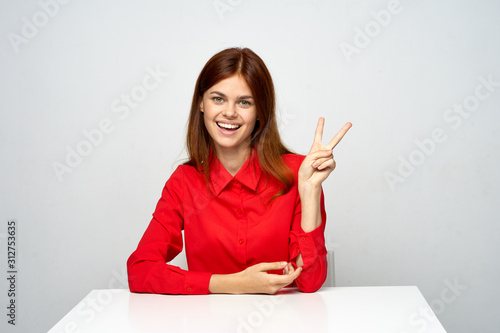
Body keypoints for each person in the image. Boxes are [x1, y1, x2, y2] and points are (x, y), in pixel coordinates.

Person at [127, 47, 351, 295]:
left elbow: (310, 282)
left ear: (260, 112)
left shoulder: (299, 173)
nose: (230, 112)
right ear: (201, 103)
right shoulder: (184, 181)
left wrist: (309, 191)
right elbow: (140, 271)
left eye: (244, 102)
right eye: (218, 98)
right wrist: (231, 284)